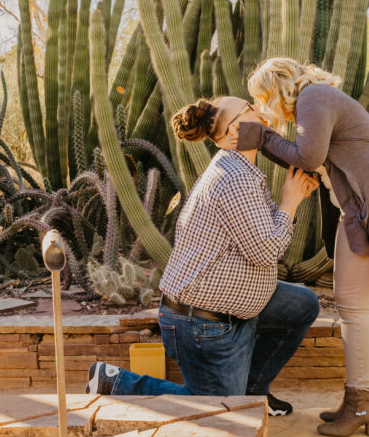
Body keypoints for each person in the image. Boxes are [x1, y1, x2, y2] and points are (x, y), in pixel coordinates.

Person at [86, 96, 321, 416]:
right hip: (202, 324)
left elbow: (261, 236)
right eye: (252, 108)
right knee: (224, 412)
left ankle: (254, 393)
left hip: (233, 310)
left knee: (303, 305)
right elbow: (267, 251)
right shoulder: (234, 178)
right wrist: (290, 203)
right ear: (236, 130)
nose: (260, 109)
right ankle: (117, 383)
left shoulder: (242, 170)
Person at [234, 57, 369, 437]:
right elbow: (309, 161)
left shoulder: (314, 97)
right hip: (364, 206)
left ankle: (362, 406)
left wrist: (258, 135)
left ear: (277, 88)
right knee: (350, 306)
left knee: (354, 308)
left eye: (262, 99)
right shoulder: (319, 100)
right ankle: (358, 401)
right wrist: (264, 136)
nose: (263, 108)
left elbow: (308, 158)